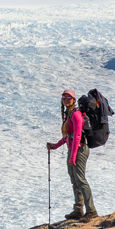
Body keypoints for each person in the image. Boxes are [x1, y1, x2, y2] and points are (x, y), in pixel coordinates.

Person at [46, 89, 98, 221]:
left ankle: (91, 211)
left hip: (79, 149)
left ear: (74, 100)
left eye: (69, 97)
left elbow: (77, 136)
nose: (65, 99)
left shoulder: (76, 114)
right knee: (75, 180)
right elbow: (67, 137)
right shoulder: (68, 114)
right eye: (64, 97)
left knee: (80, 179)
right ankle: (78, 210)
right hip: (73, 149)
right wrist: (54, 146)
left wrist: (73, 156)